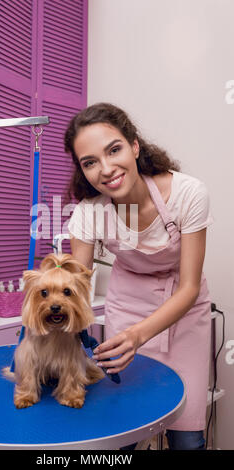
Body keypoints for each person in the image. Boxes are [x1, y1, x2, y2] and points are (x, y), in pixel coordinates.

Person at [64, 102, 214, 451]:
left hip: (184, 309)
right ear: (83, 171)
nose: (106, 169)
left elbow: (190, 286)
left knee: (187, 437)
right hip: (126, 305)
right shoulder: (89, 213)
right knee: (124, 430)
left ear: (134, 145)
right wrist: (51, 318)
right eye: (90, 162)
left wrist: (138, 336)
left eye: (113, 150)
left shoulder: (188, 194)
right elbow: (76, 290)